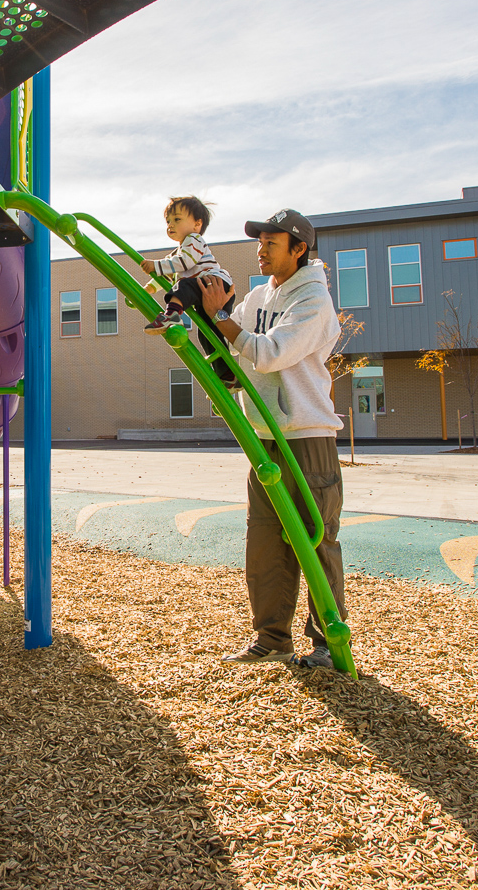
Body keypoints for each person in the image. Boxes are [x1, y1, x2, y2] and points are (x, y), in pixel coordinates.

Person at [198, 209, 347, 670]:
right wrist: (195, 316)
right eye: (259, 243)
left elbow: (268, 354)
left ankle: (328, 641)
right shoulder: (260, 295)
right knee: (264, 540)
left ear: (299, 249)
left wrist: (219, 316)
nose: (260, 251)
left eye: (271, 244)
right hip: (264, 436)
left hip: (305, 434)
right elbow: (227, 344)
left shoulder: (314, 301)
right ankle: (272, 637)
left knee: (315, 538)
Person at [140, 195, 238, 387]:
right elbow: (171, 271)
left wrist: (156, 265)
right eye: (168, 221)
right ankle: (228, 374)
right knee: (208, 333)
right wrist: (151, 286)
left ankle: (172, 315)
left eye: (177, 219)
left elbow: (184, 263)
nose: (171, 225)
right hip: (206, 289)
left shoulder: (194, 240)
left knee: (185, 285)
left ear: (197, 224)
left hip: (213, 283)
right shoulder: (179, 251)